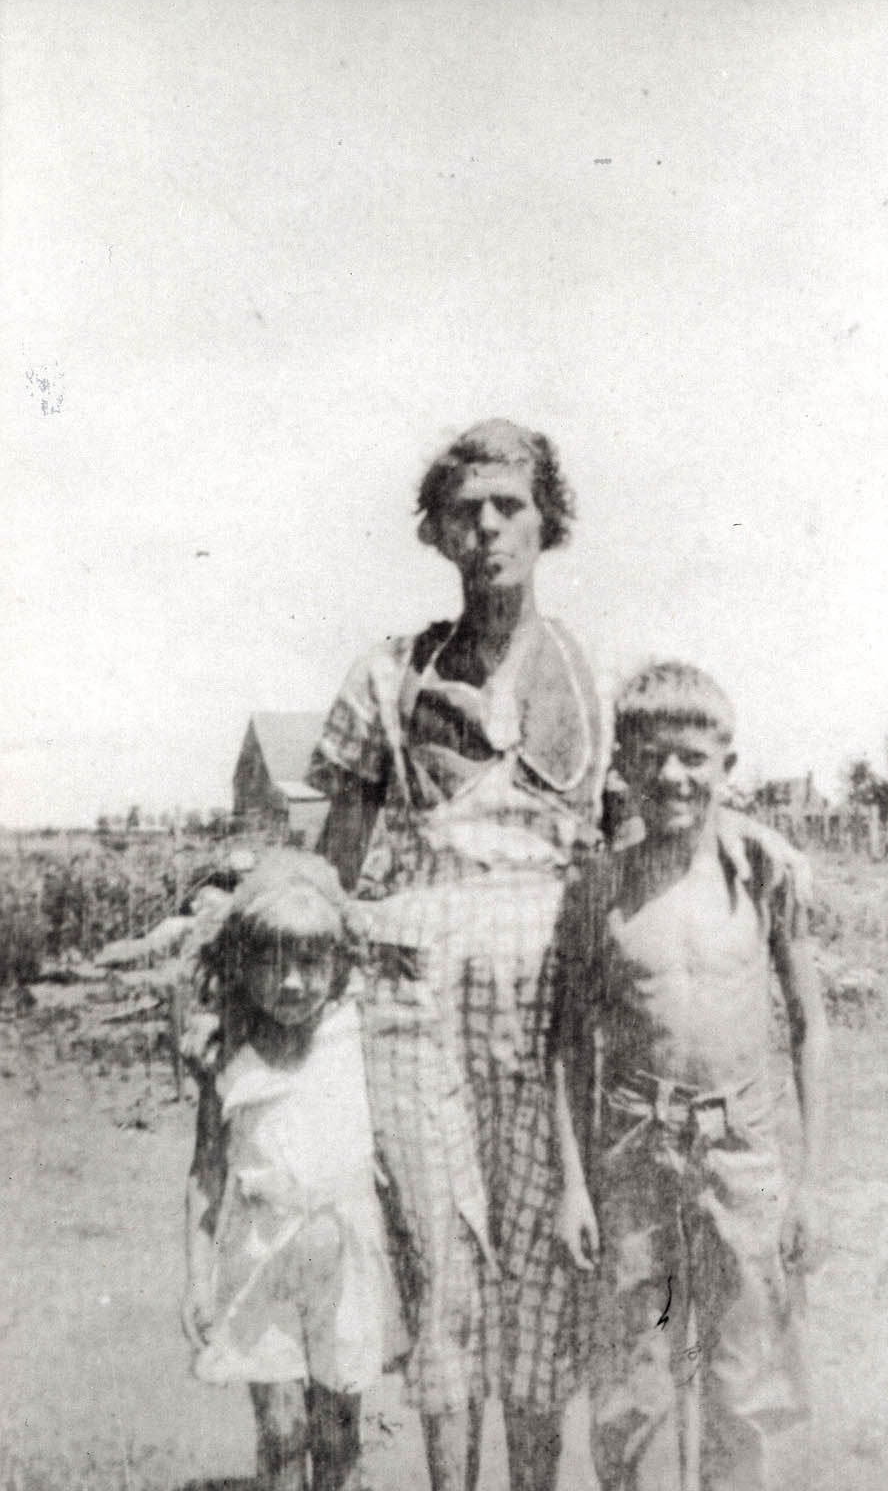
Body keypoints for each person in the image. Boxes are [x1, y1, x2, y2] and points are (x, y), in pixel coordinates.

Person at [306, 419, 604, 1491]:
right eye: (464, 510)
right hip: (414, 1003)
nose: (486, 527)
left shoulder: (594, 681)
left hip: (544, 1014)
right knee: (441, 1263)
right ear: (435, 530)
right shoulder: (387, 677)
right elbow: (329, 867)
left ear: (545, 520)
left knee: (539, 1265)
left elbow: (644, 845)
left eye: (508, 506)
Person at [551, 661, 830, 1491]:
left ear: (725, 768)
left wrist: (809, 1183)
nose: (672, 775)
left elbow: (813, 1028)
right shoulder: (599, 892)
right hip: (635, 1156)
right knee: (635, 1389)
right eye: (651, 757)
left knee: (745, 1382)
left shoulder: (763, 880)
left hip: (741, 1155)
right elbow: (568, 1045)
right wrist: (574, 1184)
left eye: (693, 758)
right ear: (623, 767)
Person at [181, 851, 402, 1491]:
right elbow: (205, 1174)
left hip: (345, 1258)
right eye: (272, 963)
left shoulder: (358, 1036)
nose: (294, 983)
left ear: (338, 967)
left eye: (312, 963)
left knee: (337, 1432)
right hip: (259, 1259)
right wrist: (197, 1277)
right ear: (241, 964)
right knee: (281, 1432)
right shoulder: (228, 1057)